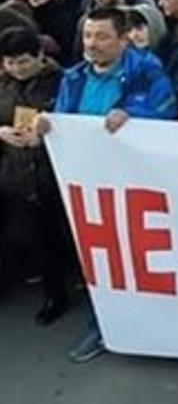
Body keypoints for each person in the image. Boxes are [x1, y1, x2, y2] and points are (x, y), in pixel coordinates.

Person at [36, 7, 177, 363]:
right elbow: (63, 118)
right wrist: (48, 126)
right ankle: (106, 322)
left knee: (134, 255)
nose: (92, 43)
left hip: (132, 183)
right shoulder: (73, 77)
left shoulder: (148, 73)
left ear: (123, 40)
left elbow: (167, 113)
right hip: (85, 183)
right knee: (99, 257)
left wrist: (134, 115)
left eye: (102, 36)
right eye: (87, 36)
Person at [0, 27, 69, 326]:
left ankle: (56, 295)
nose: (17, 68)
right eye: (10, 62)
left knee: (52, 237)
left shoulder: (62, 82)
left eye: (23, 62)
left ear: (40, 56)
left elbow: (71, 122)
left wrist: (45, 136)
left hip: (50, 173)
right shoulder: (4, 84)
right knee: (25, 235)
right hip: (14, 172)